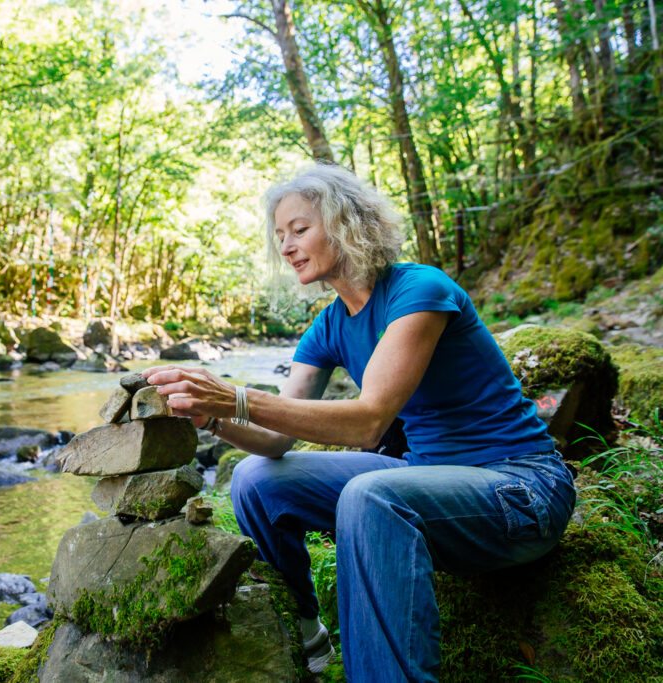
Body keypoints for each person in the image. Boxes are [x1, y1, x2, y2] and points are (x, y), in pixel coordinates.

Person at [142, 164, 575, 682]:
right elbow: (276, 439)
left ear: (347, 222)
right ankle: (306, 635)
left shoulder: (419, 289)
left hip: (521, 488)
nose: (286, 245)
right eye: (280, 235)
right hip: (430, 483)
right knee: (257, 479)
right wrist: (212, 415)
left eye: (299, 229)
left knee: (370, 495)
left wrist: (235, 395)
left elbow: (369, 420)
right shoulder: (327, 326)